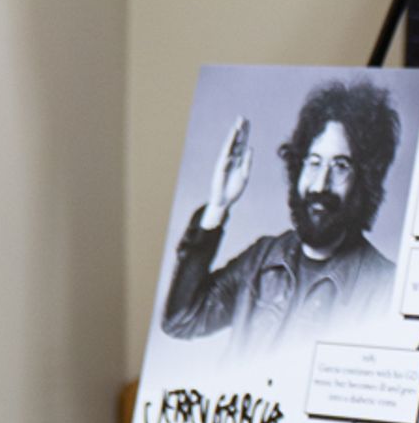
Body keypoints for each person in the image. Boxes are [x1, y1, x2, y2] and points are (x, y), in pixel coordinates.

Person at [159, 76, 402, 351]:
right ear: (297, 168)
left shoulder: (384, 288)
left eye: (341, 166)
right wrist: (218, 205)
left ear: (365, 181)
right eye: (314, 162)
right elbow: (180, 322)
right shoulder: (262, 258)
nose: (321, 184)